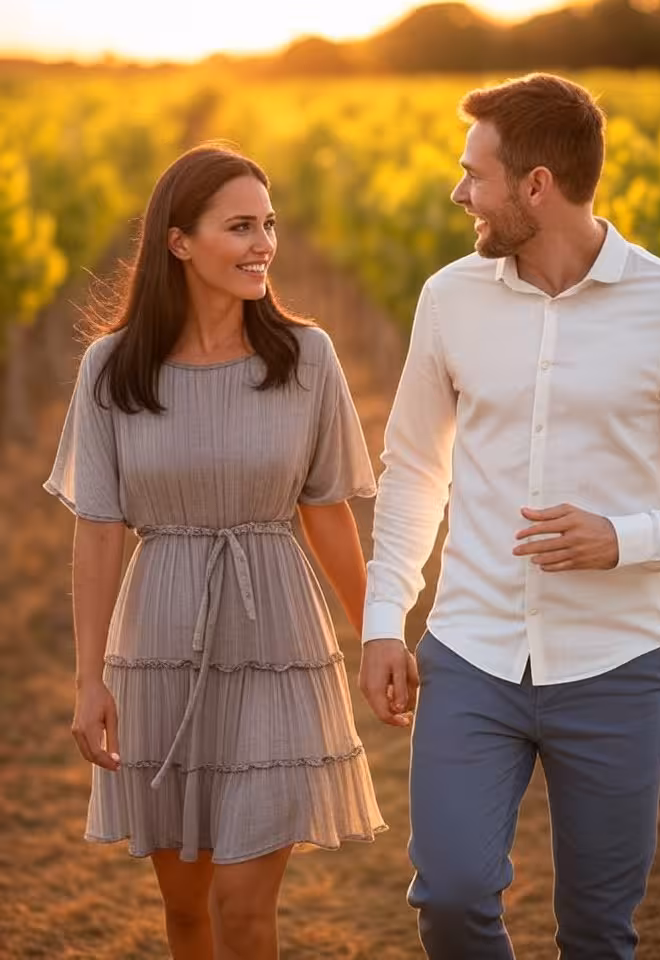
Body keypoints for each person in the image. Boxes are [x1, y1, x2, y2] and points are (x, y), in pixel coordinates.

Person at [359, 73, 660, 959]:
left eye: (474, 173)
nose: (459, 192)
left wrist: (623, 541)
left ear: (535, 186)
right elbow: (412, 469)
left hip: (616, 668)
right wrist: (381, 622)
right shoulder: (449, 299)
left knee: (599, 932)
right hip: (471, 655)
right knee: (449, 896)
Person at [44, 144, 386, 960]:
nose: (263, 242)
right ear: (179, 242)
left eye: (268, 224)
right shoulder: (111, 370)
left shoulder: (306, 358)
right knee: (187, 910)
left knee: (242, 903)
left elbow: (327, 511)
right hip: (159, 644)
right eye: (239, 226)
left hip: (278, 642)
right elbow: (96, 535)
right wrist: (90, 678)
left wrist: (376, 634)